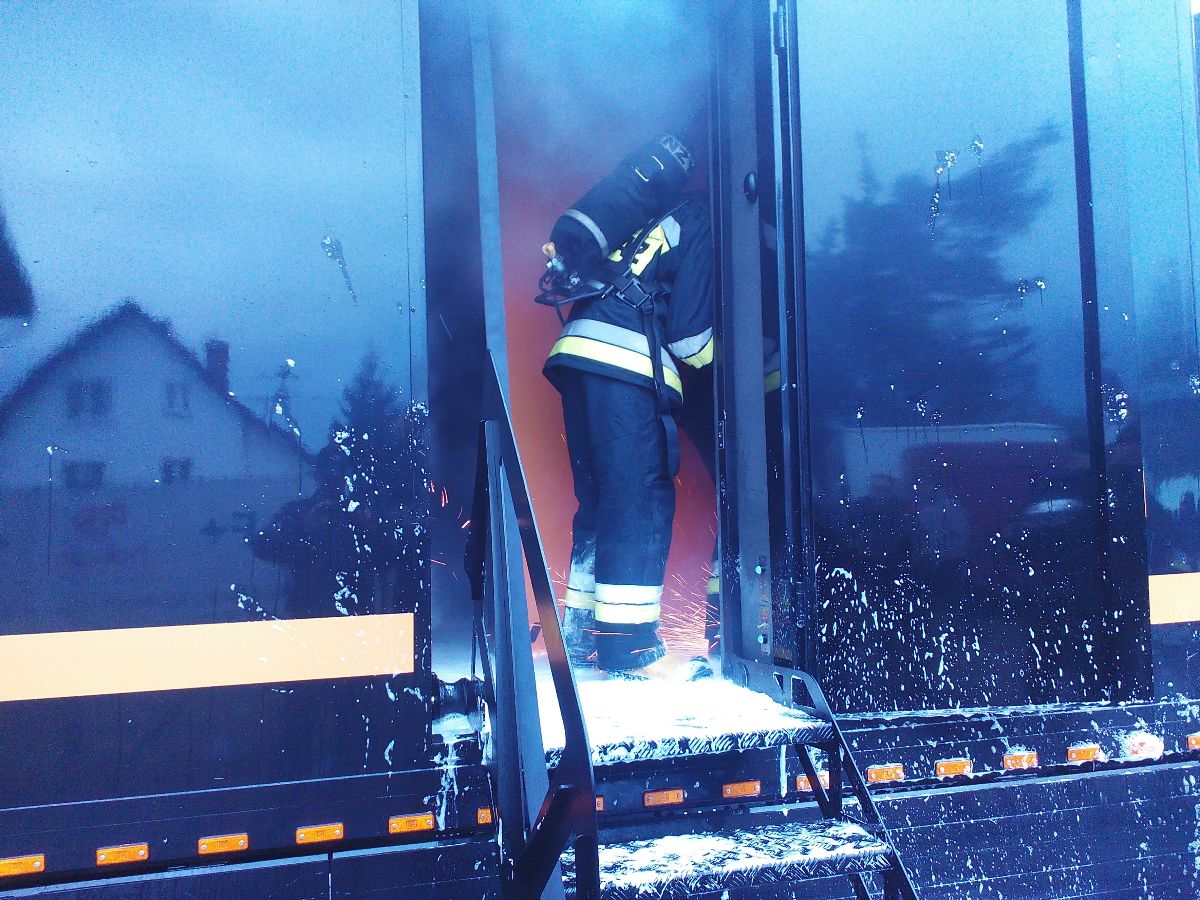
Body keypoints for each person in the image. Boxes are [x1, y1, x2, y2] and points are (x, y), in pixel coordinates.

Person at [540, 135, 714, 677]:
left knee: (599, 501)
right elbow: (691, 340)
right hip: (626, 365)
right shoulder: (700, 219)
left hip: (575, 358)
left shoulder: (635, 214)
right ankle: (628, 646)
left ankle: (577, 634)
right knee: (638, 501)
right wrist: (732, 365)